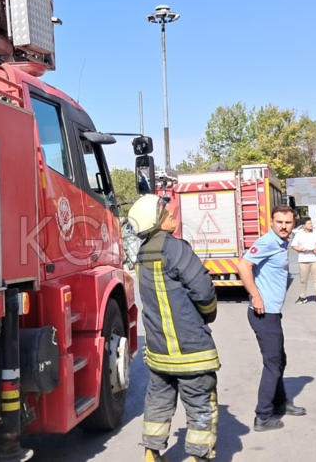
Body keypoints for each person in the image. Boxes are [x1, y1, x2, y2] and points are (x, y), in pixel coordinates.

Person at [128, 195, 219, 462]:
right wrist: (209, 314)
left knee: (158, 400)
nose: (173, 216)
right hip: (191, 349)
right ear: (155, 222)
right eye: (166, 214)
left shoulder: (143, 253)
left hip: (160, 351)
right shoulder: (176, 248)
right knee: (201, 404)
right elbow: (204, 292)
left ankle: (151, 453)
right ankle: (197, 457)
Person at [236, 205, 306, 433]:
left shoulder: (281, 243)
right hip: (262, 313)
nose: (284, 226)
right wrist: (256, 296)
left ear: (293, 224)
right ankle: (263, 416)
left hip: (272, 312)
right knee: (273, 363)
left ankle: (280, 403)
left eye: (288, 222)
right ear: (272, 222)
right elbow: (243, 265)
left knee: (279, 360)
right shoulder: (267, 242)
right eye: (279, 222)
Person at [290, 218, 316, 305]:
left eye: (311, 223)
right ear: (304, 225)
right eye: (309, 223)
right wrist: (300, 249)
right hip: (303, 260)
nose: (311, 225)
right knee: (303, 280)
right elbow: (294, 245)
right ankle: (302, 297)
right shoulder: (299, 234)